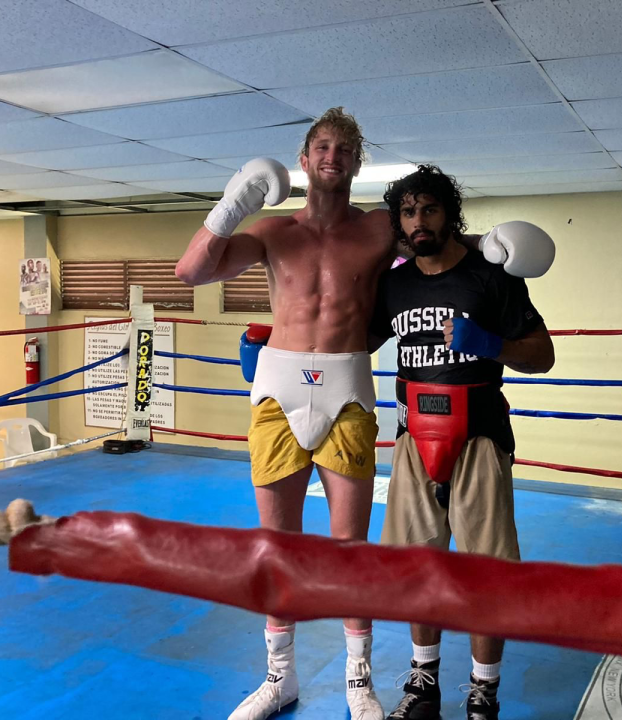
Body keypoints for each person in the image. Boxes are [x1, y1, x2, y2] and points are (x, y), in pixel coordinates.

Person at [175, 108, 554, 720]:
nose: (332, 156)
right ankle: (279, 678)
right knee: (277, 544)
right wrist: (232, 203)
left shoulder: (381, 229)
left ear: (357, 162)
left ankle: (359, 680)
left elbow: (442, 245)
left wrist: (496, 245)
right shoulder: (272, 232)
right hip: (279, 392)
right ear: (304, 159)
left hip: (353, 394)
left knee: (352, 548)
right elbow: (189, 272)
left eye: (345, 148)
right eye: (321, 145)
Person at [370, 165, 555, 720]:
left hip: (479, 439)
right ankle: (423, 683)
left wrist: (491, 343)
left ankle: (482, 690)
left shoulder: (490, 277)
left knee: (485, 571)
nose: (418, 221)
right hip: (411, 440)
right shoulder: (395, 283)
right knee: (416, 566)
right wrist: (284, 352)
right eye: (407, 211)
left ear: (449, 214)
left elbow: (542, 356)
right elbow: (351, 342)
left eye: (428, 209)